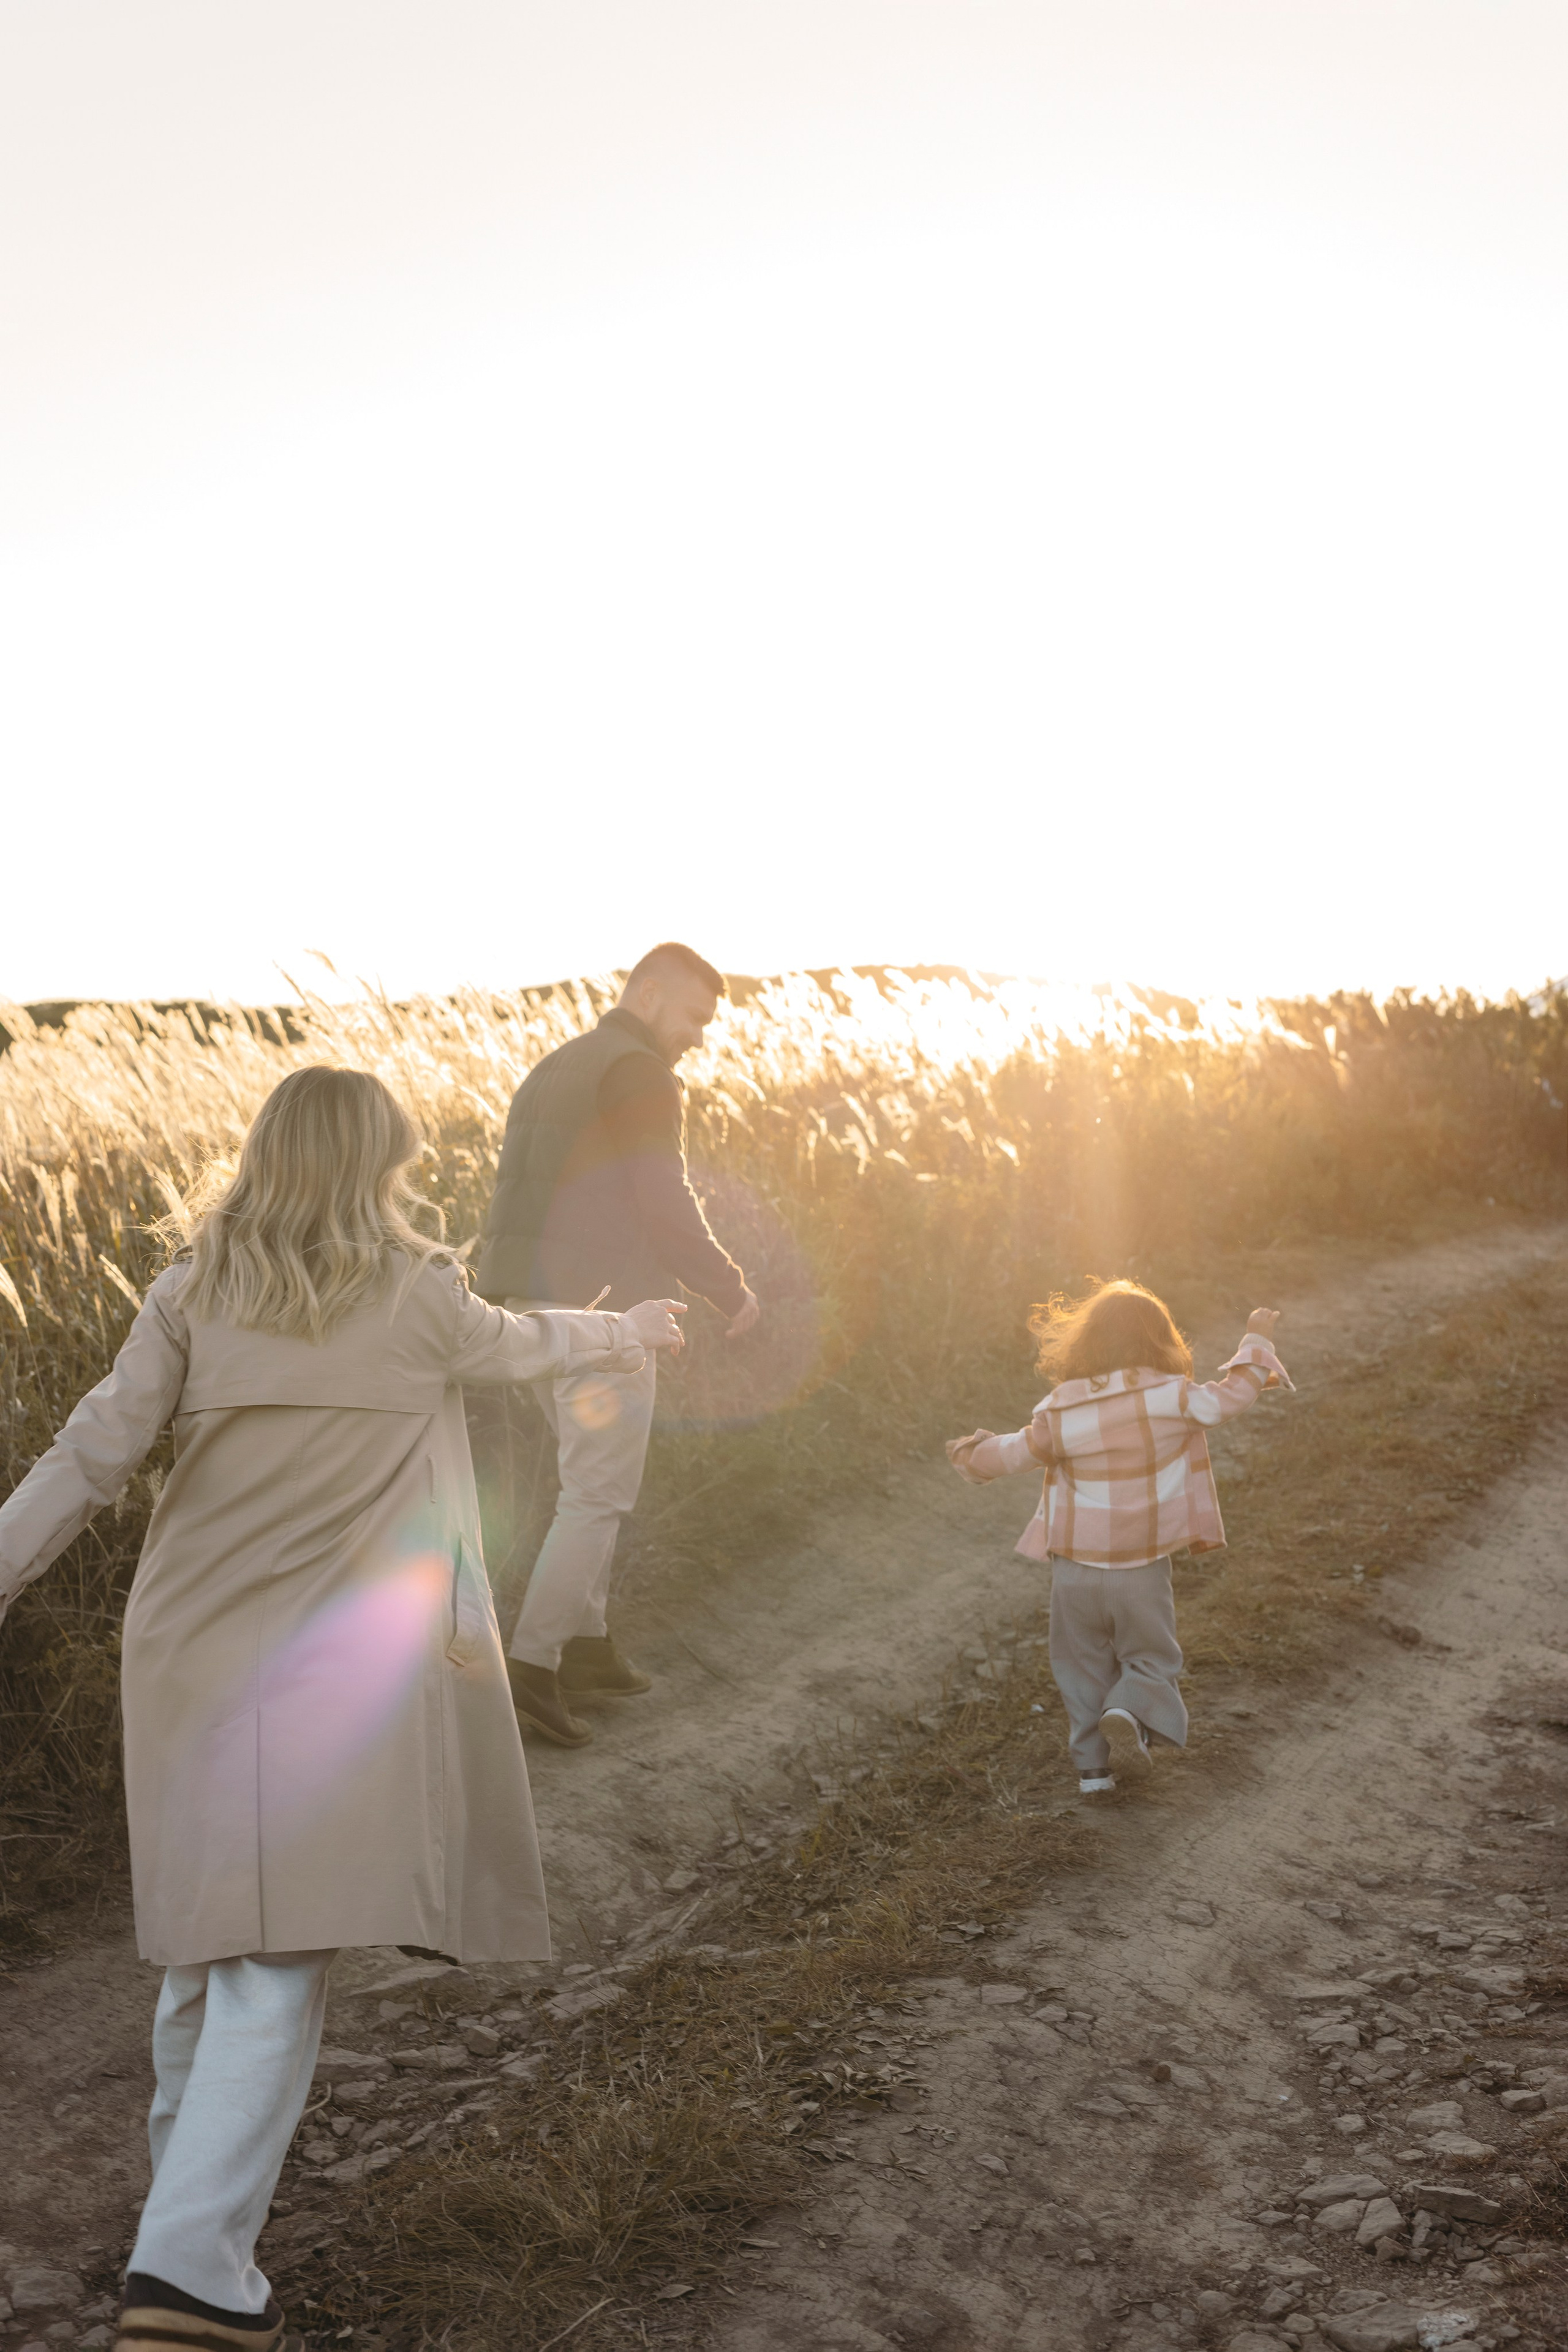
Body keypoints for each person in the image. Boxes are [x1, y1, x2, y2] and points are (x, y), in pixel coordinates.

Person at [0, 1066, 687, 2352]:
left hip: (190, 1645)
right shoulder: (418, 1289)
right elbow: (523, 1343)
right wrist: (631, 1328)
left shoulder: (196, 1285)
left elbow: (90, 1451)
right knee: (276, 1961)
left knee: (209, 1955)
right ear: (379, 1161)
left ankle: (184, 2244)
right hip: (328, 1662)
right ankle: (189, 2277)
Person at [475, 941, 760, 1747]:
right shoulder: (640, 1071)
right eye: (696, 1017)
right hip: (605, 1309)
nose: (701, 1036)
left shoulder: (555, 1065)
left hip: (527, 1306)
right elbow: (662, 1198)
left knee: (584, 1485)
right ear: (648, 994)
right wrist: (730, 1286)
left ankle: (589, 1649)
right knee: (596, 1496)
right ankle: (533, 1669)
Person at [946, 1280, 1291, 1795]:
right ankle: (1129, 1708)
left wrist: (972, 1453)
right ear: (1162, 1341)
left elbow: (1014, 1452)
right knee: (1152, 1657)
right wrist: (1255, 1340)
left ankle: (1093, 1773)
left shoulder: (1061, 1409)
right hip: (1141, 1567)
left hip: (1075, 1572)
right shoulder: (1173, 1398)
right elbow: (1231, 1399)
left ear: (1085, 1343)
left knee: (1080, 1665)